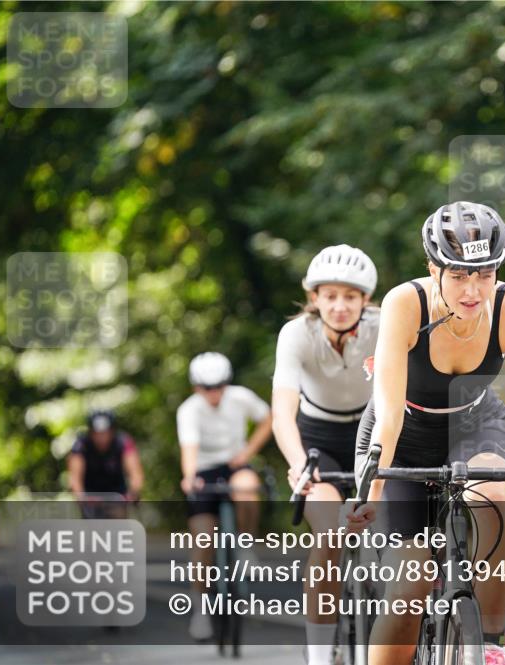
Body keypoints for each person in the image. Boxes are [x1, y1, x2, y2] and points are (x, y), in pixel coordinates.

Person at [349, 201, 505, 665]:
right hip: (405, 430)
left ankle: (493, 645)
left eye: (484, 274)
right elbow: (391, 414)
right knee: (408, 591)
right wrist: (372, 490)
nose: (473, 290)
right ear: (432, 268)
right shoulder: (405, 303)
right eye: (458, 275)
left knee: (493, 494)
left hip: (477, 421)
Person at [272, 244, 380, 665]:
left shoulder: (386, 325)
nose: (339, 306)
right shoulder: (296, 333)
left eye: (350, 296)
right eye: (329, 295)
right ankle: (319, 655)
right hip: (319, 441)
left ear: (365, 300)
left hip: (373, 434)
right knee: (331, 535)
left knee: (399, 531)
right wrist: (299, 465)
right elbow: (283, 412)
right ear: (313, 297)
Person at [177, 352, 272, 641]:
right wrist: (190, 476)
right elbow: (189, 448)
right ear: (196, 388)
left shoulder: (240, 397)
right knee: (203, 540)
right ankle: (200, 611)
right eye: (207, 388)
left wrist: (247, 452)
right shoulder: (189, 410)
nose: (214, 393)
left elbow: (268, 418)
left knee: (248, 487)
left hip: (234, 464)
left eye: (219, 386)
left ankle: (245, 543)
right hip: (204, 471)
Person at [67, 409, 144, 517]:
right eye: (97, 433)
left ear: (112, 431)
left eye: (105, 433)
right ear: (90, 432)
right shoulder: (81, 445)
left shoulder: (123, 441)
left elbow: (135, 473)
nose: (101, 438)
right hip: (90, 494)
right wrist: (81, 497)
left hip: (117, 493)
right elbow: (74, 478)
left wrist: (133, 493)